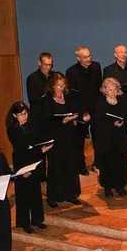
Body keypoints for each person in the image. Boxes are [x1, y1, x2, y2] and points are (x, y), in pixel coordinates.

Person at [6, 101, 52, 233]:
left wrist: (40, 147)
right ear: (14, 115)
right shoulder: (12, 130)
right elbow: (22, 148)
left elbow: (35, 142)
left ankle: (37, 219)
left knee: (35, 191)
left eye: (25, 113)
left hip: (33, 159)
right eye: (20, 114)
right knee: (23, 192)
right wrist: (40, 150)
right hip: (22, 161)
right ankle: (24, 222)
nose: (24, 117)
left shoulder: (30, 126)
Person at [43, 72, 87, 207]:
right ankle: (54, 196)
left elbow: (75, 110)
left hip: (69, 136)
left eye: (63, 85)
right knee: (56, 167)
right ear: (52, 86)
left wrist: (76, 118)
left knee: (70, 165)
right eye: (58, 85)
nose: (61, 88)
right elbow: (46, 120)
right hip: (55, 137)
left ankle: (70, 194)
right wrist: (62, 121)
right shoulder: (47, 100)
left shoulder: (68, 97)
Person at [66, 46, 102, 175]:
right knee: (79, 140)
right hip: (81, 110)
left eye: (89, 56)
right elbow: (72, 95)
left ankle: (97, 163)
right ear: (78, 58)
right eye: (85, 57)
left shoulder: (96, 67)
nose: (89, 59)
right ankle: (81, 165)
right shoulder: (71, 72)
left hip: (95, 108)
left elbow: (99, 89)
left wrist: (96, 109)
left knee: (98, 138)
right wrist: (83, 112)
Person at [92, 78, 127, 198]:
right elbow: (98, 120)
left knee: (120, 162)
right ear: (105, 91)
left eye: (115, 89)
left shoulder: (122, 101)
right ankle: (107, 187)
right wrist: (112, 123)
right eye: (110, 90)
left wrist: (123, 122)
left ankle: (120, 186)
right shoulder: (100, 103)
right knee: (107, 163)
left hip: (120, 137)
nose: (113, 92)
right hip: (106, 138)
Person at [26, 52, 55, 179]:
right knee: (41, 148)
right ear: (39, 63)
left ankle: (54, 174)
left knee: (53, 147)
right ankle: (41, 175)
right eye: (45, 65)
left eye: (50, 65)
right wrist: (47, 98)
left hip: (52, 117)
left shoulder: (54, 77)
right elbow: (33, 99)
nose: (48, 67)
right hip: (39, 118)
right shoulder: (32, 78)